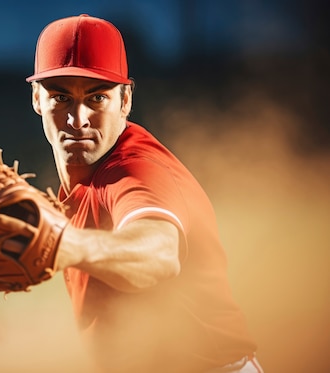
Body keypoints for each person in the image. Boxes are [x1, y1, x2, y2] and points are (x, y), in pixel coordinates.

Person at [26, 14, 263, 372]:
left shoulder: (135, 168)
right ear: (37, 100)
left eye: (97, 97)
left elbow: (160, 253)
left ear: (125, 100)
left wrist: (63, 244)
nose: (78, 118)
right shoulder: (82, 181)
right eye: (61, 97)